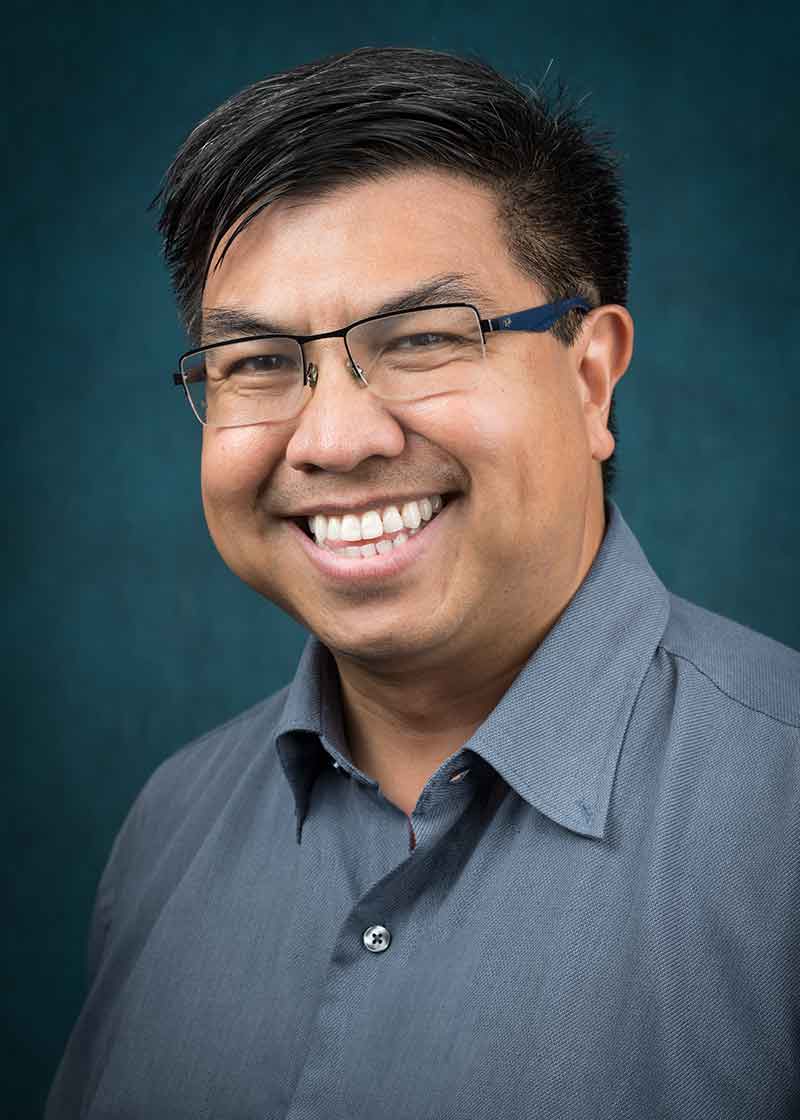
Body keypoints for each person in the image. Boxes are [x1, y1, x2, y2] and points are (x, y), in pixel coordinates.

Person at [47, 45, 799, 1119]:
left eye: (421, 339)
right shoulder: (168, 829)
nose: (338, 438)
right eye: (257, 362)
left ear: (590, 379)